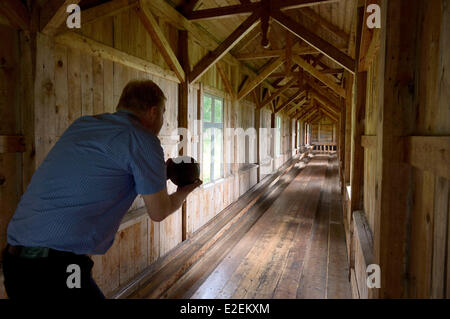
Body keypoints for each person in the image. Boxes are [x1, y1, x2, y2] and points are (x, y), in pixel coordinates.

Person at [1, 80, 202, 299]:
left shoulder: (83, 125)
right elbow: (159, 212)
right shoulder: (143, 139)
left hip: (15, 263)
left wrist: (156, 173)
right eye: (163, 113)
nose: (163, 120)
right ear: (153, 112)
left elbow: (101, 173)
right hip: (58, 269)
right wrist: (185, 190)